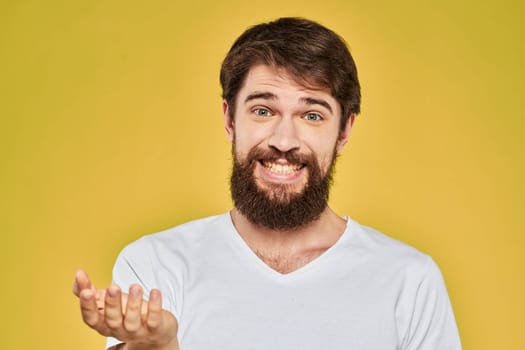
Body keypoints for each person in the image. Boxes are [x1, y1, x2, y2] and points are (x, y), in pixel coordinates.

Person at [73, 17, 462, 350]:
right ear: (230, 119)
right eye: (263, 110)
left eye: (312, 115)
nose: (284, 140)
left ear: (344, 131)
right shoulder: (155, 266)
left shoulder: (409, 280)